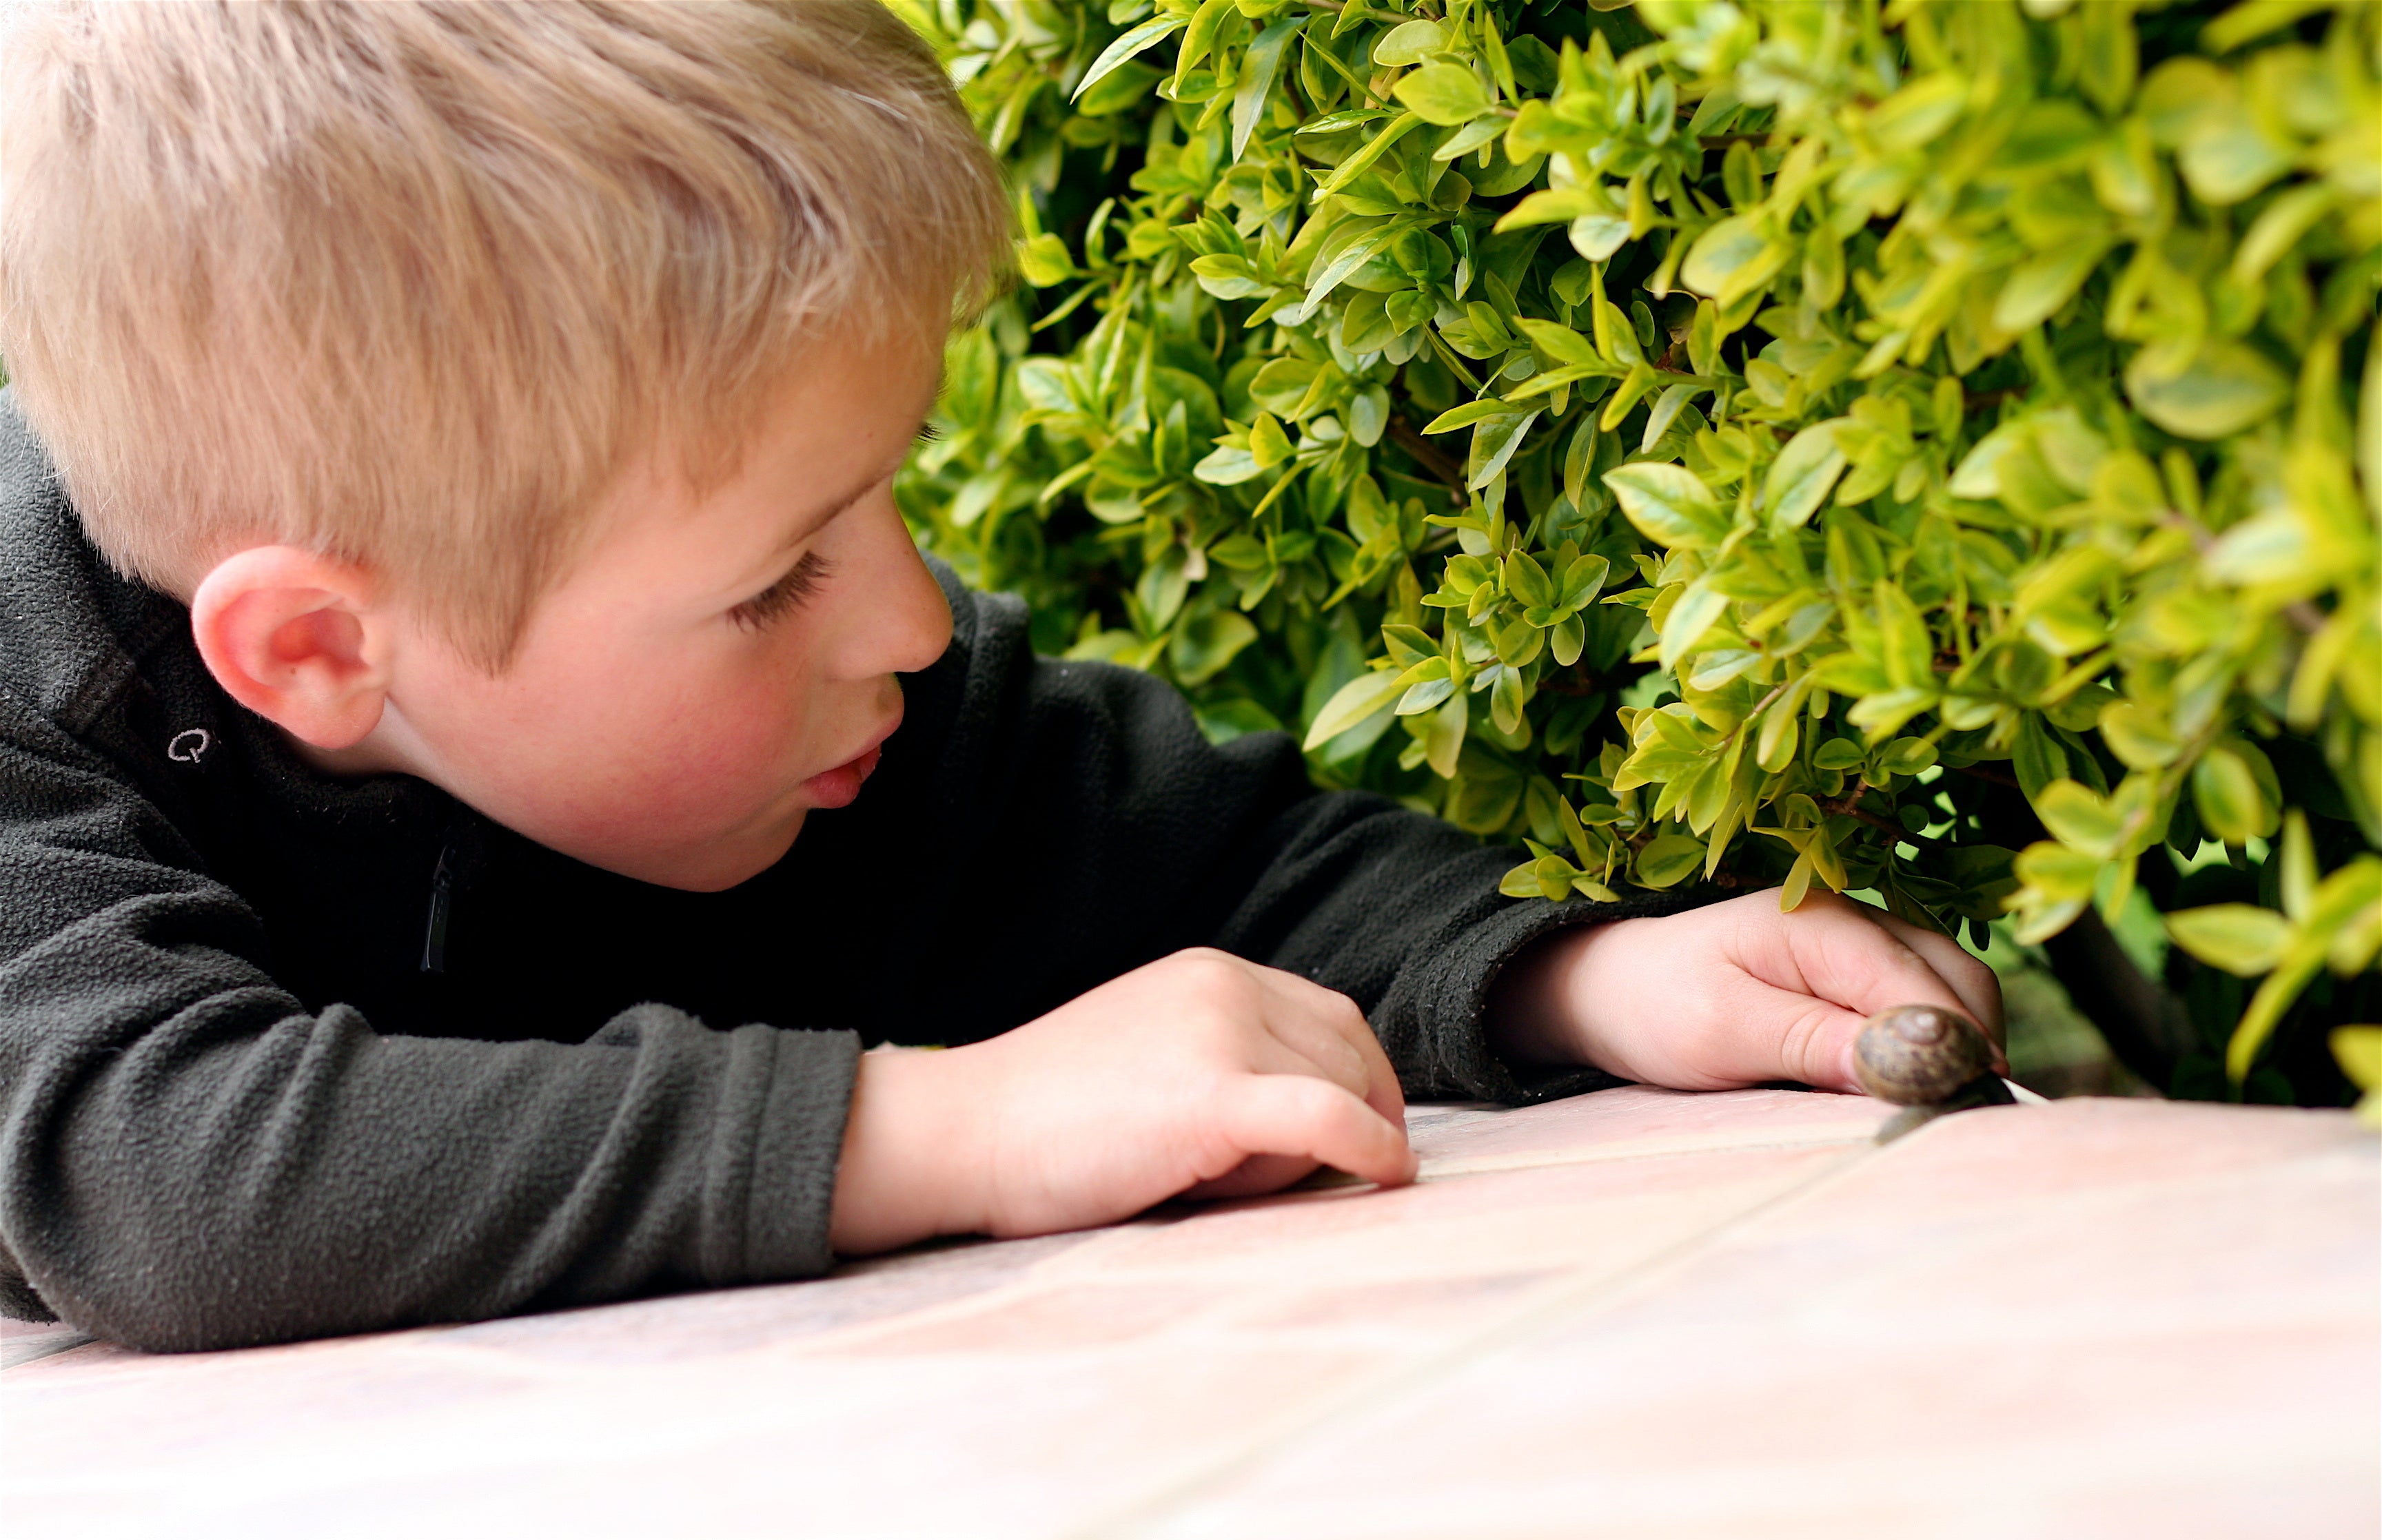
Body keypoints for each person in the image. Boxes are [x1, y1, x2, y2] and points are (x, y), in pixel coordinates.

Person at [0, 0, 2002, 1353]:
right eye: (780, 571)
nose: (907, 622)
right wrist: (948, 1129)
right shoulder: (29, 720)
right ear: (325, 648)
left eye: (882, 508)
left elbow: (1193, 852)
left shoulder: (840, 708)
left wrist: (1570, 970)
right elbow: (173, 1174)